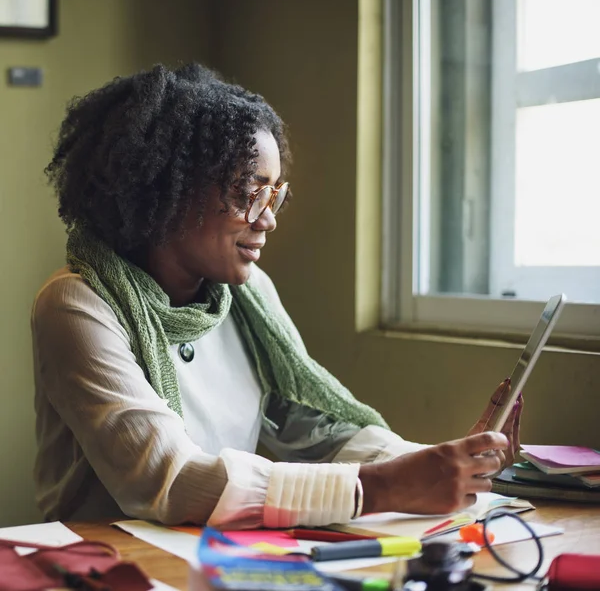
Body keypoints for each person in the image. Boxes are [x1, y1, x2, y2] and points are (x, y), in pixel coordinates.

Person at [32, 63, 522, 528]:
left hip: (202, 551)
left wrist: (438, 464)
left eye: (275, 195)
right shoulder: (77, 306)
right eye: (250, 194)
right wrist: (380, 487)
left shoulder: (247, 295)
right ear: (167, 192)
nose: (267, 220)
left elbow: (301, 426)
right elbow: (168, 478)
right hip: (103, 564)